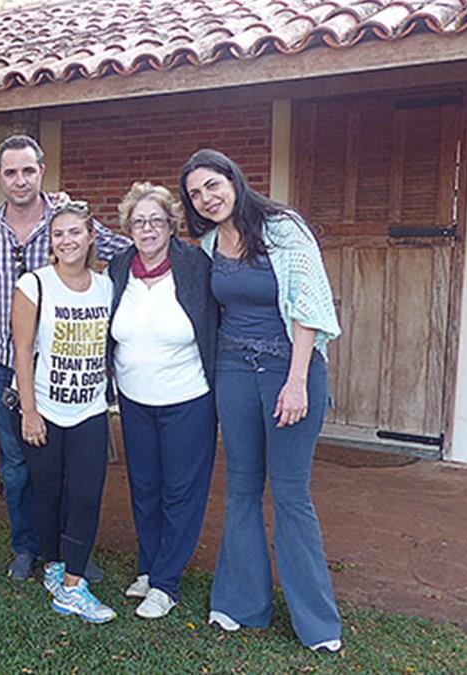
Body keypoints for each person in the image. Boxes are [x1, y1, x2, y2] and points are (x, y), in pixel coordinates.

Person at [180, 148, 343, 652]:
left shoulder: (283, 229)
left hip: (288, 371)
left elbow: (309, 305)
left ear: (233, 179)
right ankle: (240, 603)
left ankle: (317, 623)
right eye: (195, 194)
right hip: (233, 371)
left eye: (212, 185)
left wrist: (296, 382)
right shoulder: (210, 242)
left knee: (291, 493)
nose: (206, 198)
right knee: (242, 487)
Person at [0, 134, 130, 580]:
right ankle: (27, 547)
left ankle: (71, 551)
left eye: (28, 170)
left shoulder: (65, 219)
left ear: (41, 171)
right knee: (18, 463)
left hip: (64, 365)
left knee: (72, 470)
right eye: (10, 172)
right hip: (7, 361)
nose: (20, 180)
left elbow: (124, 251)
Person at [107, 182, 217, 619]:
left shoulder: (194, 265)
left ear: (171, 225)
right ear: (129, 228)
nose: (148, 229)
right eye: (139, 222)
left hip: (187, 399)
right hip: (134, 400)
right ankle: (149, 567)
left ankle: (166, 583)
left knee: (180, 492)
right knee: (145, 488)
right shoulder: (120, 267)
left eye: (156, 220)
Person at [12, 200, 115, 623]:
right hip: (45, 409)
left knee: (86, 495)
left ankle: (73, 586)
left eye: (75, 232)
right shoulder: (34, 284)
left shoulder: (107, 286)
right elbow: (22, 351)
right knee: (48, 492)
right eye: (58, 234)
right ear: (50, 242)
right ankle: (55, 565)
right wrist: (29, 411)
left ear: (91, 237)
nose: (66, 240)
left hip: (90, 410)